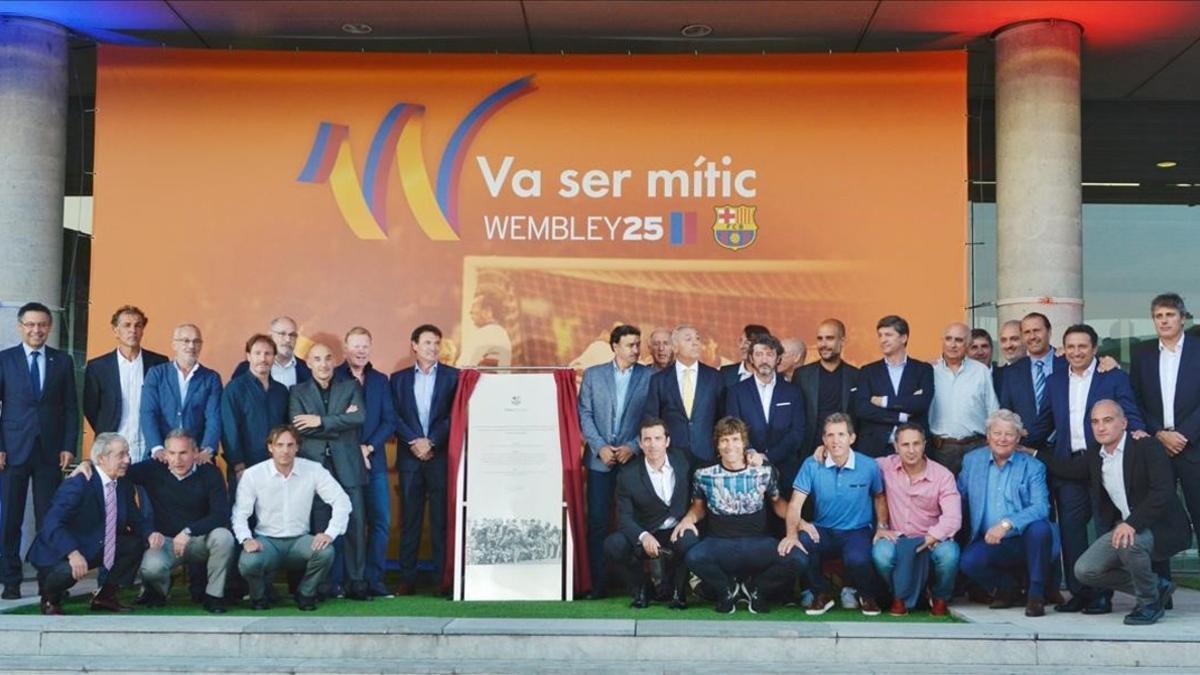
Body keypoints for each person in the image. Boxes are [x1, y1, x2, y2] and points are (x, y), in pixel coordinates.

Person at [1037, 400, 1188, 626]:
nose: (1100, 427)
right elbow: (1067, 470)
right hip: (1129, 528)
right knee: (1085, 570)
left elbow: (1163, 492)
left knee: (1128, 540)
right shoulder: (1095, 456)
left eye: (1108, 420)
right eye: (1095, 422)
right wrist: (1034, 452)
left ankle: (1149, 603)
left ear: (1124, 423)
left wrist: (1131, 524)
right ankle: (1156, 586)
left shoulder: (1146, 446)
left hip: (1162, 528)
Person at [1032, 323, 1145, 615]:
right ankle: (1080, 592)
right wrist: (1016, 440)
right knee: (1071, 532)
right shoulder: (1056, 380)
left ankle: (1102, 595)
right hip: (1069, 465)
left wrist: (1140, 436)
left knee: (1105, 528)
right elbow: (1046, 421)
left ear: (1094, 349)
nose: (1076, 352)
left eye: (1082, 346)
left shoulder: (1113, 375)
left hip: (1104, 464)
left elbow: (1129, 413)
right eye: (1070, 346)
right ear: (1064, 350)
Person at [73, 429, 233, 613]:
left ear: (195, 453)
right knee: (151, 568)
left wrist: (189, 530)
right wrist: (88, 463)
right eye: (172, 453)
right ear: (164, 454)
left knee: (224, 537)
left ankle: (214, 596)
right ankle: (159, 592)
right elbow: (117, 469)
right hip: (165, 542)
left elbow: (221, 514)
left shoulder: (210, 473)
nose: (177, 459)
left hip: (198, 540)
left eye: (183, 453)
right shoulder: (153, 468)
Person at [677, 417, 801, 614]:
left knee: (799, 558)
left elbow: (778, 504)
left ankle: (756, 590)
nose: (730, 446)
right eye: (724, 440)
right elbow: (698, 507)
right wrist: (687, 519)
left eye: (735, 439)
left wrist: (800, 523)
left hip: (757, 542)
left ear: (744, 443)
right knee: (693, 556)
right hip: (719, 542)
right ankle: (727, 590)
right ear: (717, 445)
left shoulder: (764, 472)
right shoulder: (704, 474)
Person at [0, 302, 79, 599]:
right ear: (20, 326)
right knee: (10, 518)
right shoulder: (4, 360)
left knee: (49, 517)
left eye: (42, 324)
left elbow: (71, 407)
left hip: (50, 452)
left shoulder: (63, 361)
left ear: (50, 327)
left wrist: (69, 446)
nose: (37, 330)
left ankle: (50, 580)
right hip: (13, 452)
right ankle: (10, 579)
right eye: (31, 324)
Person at [233, 425, 350, 611]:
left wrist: (330, 533)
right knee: (248, 562)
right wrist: (246, 539)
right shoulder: (253, 474)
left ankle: (306, 593)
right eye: (279, 445)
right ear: (270, 447)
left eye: (290, 445)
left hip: (299, 541)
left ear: (297, 447)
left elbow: (342, 500)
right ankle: (259, 596)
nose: (285, 451)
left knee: (326, 552)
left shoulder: (313, 470)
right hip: (267, 542)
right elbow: (240, 513)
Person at [28, 433, 147, 615]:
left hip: (95, 544)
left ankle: (105, 597)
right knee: (67, 571)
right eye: (121, 455)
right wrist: (73, 553)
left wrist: (152, 534)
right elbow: (52, 523)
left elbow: (136, 520)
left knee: (134, 543)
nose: (127, 460)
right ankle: (50, 598)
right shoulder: (79, 483)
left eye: (127, 454)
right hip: (61, 551)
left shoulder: (123, 484)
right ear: (101, 458)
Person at [781, 413, 886, 616]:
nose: (835, 440)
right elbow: (795, 504)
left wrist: (881, 526)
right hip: (824, 529)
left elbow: (879, 496)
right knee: (800, 545)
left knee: (857, 559)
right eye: (830, 435)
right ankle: (821, 594)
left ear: (852, 438)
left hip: (857, 530)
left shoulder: (869, 465)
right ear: (823, 439)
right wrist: (792, 534)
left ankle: (867, 595)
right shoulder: (812, 465)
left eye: (841, 434)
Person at [289, 342, 368, 600]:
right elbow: (300, 427)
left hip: (348, 465)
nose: (323, 364)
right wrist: (339, 421)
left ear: (334, 361)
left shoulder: (350, 386)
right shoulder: (297, 391)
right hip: (315, 468)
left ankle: (356, 583)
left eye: (327, 359)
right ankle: (321, 585)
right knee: (320, 524)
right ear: (308, 363)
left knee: (355, 524)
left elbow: (358, 418)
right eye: (316, 359)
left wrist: (320, 421)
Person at [578, 324, 652, 599]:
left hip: (633, 461)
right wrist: (599, 447)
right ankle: (597, 584)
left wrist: (633, 446)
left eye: (638, 344)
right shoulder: (593, 375)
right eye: (630, 345)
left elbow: (651, 416)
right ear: (615, 346)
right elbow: (584, 413)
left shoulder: (649, 376)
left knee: (635, 522)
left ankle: (638, 585)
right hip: (600, 462)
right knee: (598, 521)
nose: (636, 350)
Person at [958, 409, 1055, 617]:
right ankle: (1008, 588)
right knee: (968, 562)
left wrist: (1006, 524)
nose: (1002, 439)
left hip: (1024, 540)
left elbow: (1041, 507)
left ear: (1018, 438)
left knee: (1040, 528)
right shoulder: (972, 461)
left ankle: (1035, 595)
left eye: (1009, 434)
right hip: (990, 542)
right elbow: (958, 497)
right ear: (988, 436)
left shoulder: (1033, 466)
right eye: (997, 433)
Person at [1130, 293, 1200, 578]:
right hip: (1158, 447)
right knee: (1157, 517)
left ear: (1182, 318)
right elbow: (1135, 400)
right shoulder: (1142, 353)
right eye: (1159, 316)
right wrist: (1159, 433)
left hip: (1194, 445)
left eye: (1170, 315)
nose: (1164, 321)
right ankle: (1161, 588)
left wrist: (1184, 434)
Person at [391, 324, 460, 595]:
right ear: (414, 346)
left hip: (440, 456)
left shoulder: (453, 377)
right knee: (410, 520)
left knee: (441, 520)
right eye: (428, 342)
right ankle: (407, 578)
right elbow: (394, 416)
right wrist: (415, 441)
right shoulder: (397, 379)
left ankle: (443, 579)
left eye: (437, 343)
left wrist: (431, 441)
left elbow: (455, 415)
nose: (433, 348)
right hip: (410, 459)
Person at [603, 418, 695, 609]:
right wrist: (643, 536)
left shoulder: (684, 460)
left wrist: (688, 519)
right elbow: (625, 518)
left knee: (690, 538)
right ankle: (642, 589)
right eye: (647, 439)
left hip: (676, 529)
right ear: (640, 443)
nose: (653, 444)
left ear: (667, 441)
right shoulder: (628, 474)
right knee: (614, 544)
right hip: (646, 530)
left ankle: (678, 592)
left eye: (658, 438)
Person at [334, 326, 398, 598]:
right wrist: (354, 449)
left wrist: (368, 447)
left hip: (376, 463)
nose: (360, 351)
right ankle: (344, 581)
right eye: (355, 346)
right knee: (345, 522)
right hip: (342, 463)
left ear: (370, 348)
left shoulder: (381, 380)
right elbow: (333, 419)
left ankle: (374, 579)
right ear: (345, 349)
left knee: (380, 521)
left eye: (365, 346)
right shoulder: (333, 377)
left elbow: (389, 421)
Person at [871, 425, 961, 616]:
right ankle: (900, 595)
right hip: (897, 537)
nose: (911, 450)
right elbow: (854, 462)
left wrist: (931, 537)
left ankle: (939, 597)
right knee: (881, 555)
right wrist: (823, 451)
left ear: (924, 445)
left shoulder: (943, 476)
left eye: (916, 444)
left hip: (932, 538)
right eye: (905, 445)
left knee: (949, 555)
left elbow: (953, 518)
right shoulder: (884, 466)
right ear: (896, 447)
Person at [82, 305, 168, 461]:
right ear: (116, 331)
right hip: (112, 449)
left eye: (138, 325)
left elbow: (164, 404)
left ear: (143, 330)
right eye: (127, 325)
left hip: (150, 447)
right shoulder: (98, 367)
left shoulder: (159, 363)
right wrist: (106, 429)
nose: (133, 330)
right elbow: (90, 407)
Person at [725, 334, 807, 495]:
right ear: (751, 358)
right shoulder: (736, 392)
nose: (764, 359)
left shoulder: (793, 392)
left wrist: (769, 457)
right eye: (759, 354)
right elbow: (733, 430)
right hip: (747, 469)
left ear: (778, 359)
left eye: (769, 354)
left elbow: (797, 432)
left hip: (785, 469)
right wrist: (751, 454)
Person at [853, 315, 934, 458]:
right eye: (880, 335)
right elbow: (862, 408)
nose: (883, 340)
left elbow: (921, 403)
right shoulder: (867, 371)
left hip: (913, 451)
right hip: (875, 448)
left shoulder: (923, 369)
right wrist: (901, 415)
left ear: (904, 338)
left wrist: (884, 402)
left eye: (888, 335)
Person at [140, 323, 222, 464]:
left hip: (196, 458)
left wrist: (206, 450)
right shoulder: (156, 374)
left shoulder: (211, 378)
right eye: (185, 341)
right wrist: (157, 448)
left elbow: (214, 417)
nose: (191, 346)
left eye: (196, 341)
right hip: (162, 456)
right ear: (174, 345)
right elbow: (148, 413)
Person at [644, 325, 723, 469]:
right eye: (688, 339)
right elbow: (652, 420)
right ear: (675, 346)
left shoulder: (714, 377)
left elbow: (722, 417)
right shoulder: (659, 380)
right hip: (672, 457)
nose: (695, 343)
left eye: (698, 339)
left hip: (708, 456)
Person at [929, 322, 999, 474]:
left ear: (967, 344)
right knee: (943, 496)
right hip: (941, 449)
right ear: (942, 341)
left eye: (959, 340)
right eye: (949, 339)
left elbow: (993, 410)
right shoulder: (930, 371)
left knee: (976, 495)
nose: (953, 345)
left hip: (976, 446)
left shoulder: (981, 371)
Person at [221, 334, 290, 481]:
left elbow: (286, 428)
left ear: (274, 357)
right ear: (248, 356)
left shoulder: (281, 391)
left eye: (268, 354)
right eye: (257, 353)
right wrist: (238, 465)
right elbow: (229, 430)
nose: (263, 359)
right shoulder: (234, 389)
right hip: (245, 468)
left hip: (277, 466)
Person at [997, 312, 1063, 450]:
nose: (1032, 336)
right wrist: (1015, 431)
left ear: (1049, 332)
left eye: (1037, 330)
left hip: (1063, 449)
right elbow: (1006, 412)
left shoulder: (1068, 363)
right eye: (1027, 332)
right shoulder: (1012, 372)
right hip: (1025, 447)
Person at [794, 319, 860, 454]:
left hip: (845, 451)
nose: (823, 344)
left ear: (842, 341)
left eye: (829, 338)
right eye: (820, 339)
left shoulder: (856, 376)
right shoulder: (802, 375)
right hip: (809, 451)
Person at [231, 316, 311, 388]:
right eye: (282, 334)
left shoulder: (306, 370)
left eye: (292, 335)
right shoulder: (245, 369)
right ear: (270, 336)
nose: (288, 340)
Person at [456, 287, 512, 367]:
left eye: (474, 306)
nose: (470, 312)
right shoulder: (502, 333)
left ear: (488, 312)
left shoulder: (484, 334)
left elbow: (463, 366)